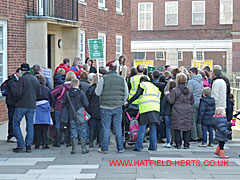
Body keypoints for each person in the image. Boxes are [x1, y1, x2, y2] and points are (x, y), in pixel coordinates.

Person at [95, 63, 128, 153]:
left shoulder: (103, 78)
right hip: (117, 106)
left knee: (106, 128)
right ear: (116, 69)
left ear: (109, 69)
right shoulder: (122, 79)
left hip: (105, 106)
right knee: (117, 127)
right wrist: (121, 101)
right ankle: (120, 148)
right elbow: (126, 93)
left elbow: (97, 92)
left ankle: (104, 148)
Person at [127, 76, 160, 151]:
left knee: (142, 127)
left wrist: (129, 102)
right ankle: (153, 146)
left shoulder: (142, 85)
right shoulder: (154, 87)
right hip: (155, 108)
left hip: (146, 108)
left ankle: (138, 146)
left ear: (141, 81)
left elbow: (137, 95)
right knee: (153, 128)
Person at [13, 63, 40, 153]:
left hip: (21, 105)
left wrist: (16, 100)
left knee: (15, 123)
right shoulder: (35, 79)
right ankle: (28, 145)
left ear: (22, 70)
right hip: (32, 105)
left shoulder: (22, 79)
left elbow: (18, 93)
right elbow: (38, 93)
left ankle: (20, 144)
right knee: (30, 125)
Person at [165, 73, 194, 149]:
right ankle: (186, 144)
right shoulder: (189, 90)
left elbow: (171, 101)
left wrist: (167, 95)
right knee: (187, 126)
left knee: (177, 126)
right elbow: (192, 101)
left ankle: (178, 144)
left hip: (177, 109)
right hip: (188, 109)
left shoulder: (174, 90)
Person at [63, 79, 89, 154]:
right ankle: (83, 149)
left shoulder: (68, 94)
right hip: (81, 115)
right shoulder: (81, 93)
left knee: (73, 131)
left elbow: (64, 103)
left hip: (71, 114)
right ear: (78, 84)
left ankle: (74, 149)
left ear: (71, 84)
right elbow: (86, 104)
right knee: (83, 131)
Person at [52, 71, 76, 147]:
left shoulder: (61, 87)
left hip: (59, 106)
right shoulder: (75, 88)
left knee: (58, 123)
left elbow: (51, 94)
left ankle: (58, 141)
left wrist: (54, 103)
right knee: (69, 124)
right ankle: (68, 141)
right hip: (70, 108)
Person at [34, 74, 55, 149]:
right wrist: (51, 106)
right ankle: (45, 143)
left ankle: (37, 144)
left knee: (37, 128)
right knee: (45, 128)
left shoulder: (34, 89)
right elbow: (52, 99)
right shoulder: (46, 89)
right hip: (45, 109)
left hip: (36, 109)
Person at [5, 68, 22, 142]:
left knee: (13, 119)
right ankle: (11, 135)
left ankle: (12, 135)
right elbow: (15, 92)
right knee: (12, 119)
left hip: (13, 102)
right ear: (17, 73)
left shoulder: (15, 80)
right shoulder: (13, 81)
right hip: (12, 103)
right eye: (21, 73)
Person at [188, 67, 203, 142]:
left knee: (192, 120)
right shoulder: (201, 81)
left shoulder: (191, 82)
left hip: (193, 102)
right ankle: (200, 135)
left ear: (193, 72)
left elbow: (189, 92)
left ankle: (194, 136)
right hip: (199, 101)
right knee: (198, 120)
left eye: (190, 72)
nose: (189, 74)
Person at [86, 74, 102, 148]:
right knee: (100, 127)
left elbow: (87, 100)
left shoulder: (90, 89)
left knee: (92, 127)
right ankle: (100, 141)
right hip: (101, 108)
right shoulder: (102, 89)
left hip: (92, 109)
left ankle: (91, 142)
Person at [152, 70, 167, 144]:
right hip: (161, 104)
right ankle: (159, 136)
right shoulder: (164, 85)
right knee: (160, 121)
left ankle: (155, 136)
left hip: (153, 103)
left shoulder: (151, 84)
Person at [162, 80, 176, 148]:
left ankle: (168, 141)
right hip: (175, 112)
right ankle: (173, 140)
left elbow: (163, 104)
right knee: (174, 127)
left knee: (168, 127)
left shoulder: (167, 94)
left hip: (167, 112)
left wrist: (161, 113)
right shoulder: (176, 93)